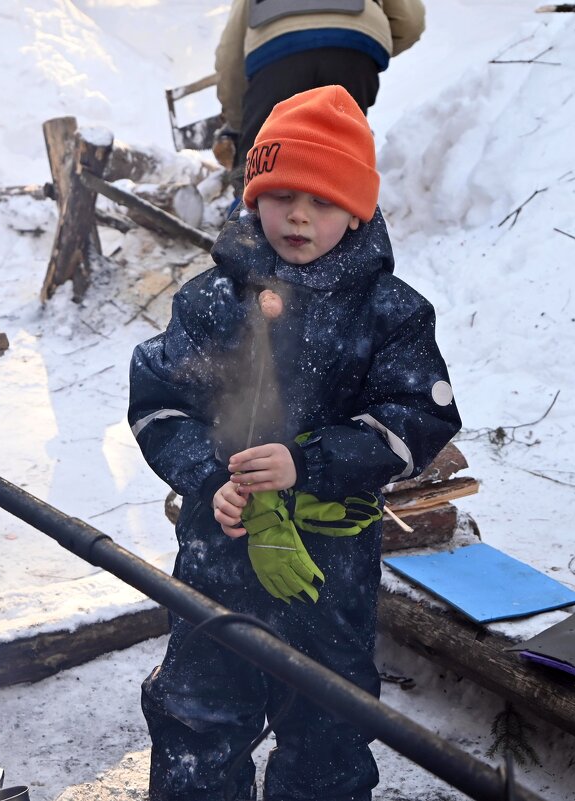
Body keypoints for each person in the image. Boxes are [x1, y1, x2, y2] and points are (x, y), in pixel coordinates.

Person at [128, 85, 460, 801]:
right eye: (281, 195)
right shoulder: (210, 302)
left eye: (323, 199)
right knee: (197, 717)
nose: (299, 215)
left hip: (328, 573)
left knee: (329, 729)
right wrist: (208, 476)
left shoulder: (389, 313)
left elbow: (418, 417)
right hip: (217, 562)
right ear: (255, 198)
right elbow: (160, 404)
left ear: (357, 209)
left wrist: (310, 462)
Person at [214, 0, 425, 192]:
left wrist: (240, 123)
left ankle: (248, 216)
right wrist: (366, 47)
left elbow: (230, 56)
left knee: (257, 170)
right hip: (354, 45)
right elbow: (411, 22)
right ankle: (344, 212)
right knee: (341, 162)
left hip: (276, 51)